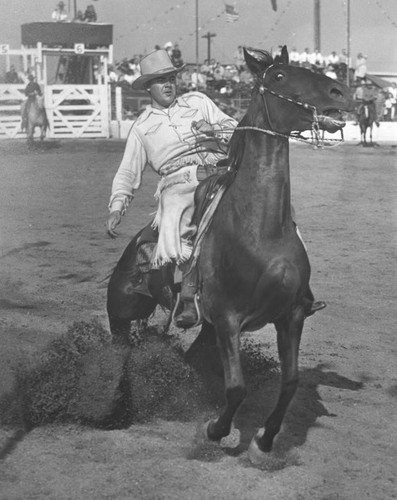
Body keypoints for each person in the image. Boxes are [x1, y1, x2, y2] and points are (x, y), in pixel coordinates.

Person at [106, 49, 238, 328]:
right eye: (160, 80)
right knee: (177, 211)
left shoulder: (198, 101)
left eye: (171, 78)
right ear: (148, 87)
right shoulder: (142, 127)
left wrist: (215, 131)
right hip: (179, 181)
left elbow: (232, 127)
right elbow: (128, 171)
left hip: (220, 167)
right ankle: (187, 295)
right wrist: (118, 205)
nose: (168, 84)